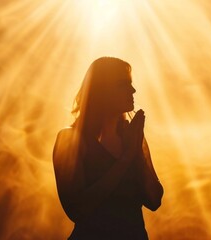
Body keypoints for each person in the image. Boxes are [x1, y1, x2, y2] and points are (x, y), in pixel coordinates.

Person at [53, 57, 164, 239]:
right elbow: (77, 210)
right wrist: (125, 159)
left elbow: (154, 200)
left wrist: (136, 151)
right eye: (123, 84)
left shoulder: (131, 137)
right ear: (101, 91)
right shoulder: (70, 139)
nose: (133, 90)